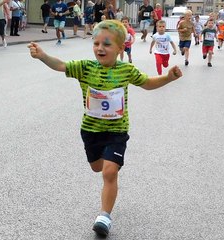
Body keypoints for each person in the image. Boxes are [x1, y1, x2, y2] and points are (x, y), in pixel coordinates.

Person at [27, 19, 182, 238]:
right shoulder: (85, 67)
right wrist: (43, 56)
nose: (100, 48)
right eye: (96, 43)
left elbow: (147, 83)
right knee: (97, 167)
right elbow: (60, 65)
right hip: (90, 130)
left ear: (121, 48)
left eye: (107, 44)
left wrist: (168, 78)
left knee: (110, 172)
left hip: (117, 131)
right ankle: (104, 175)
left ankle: (104, 217)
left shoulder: (126, 70)